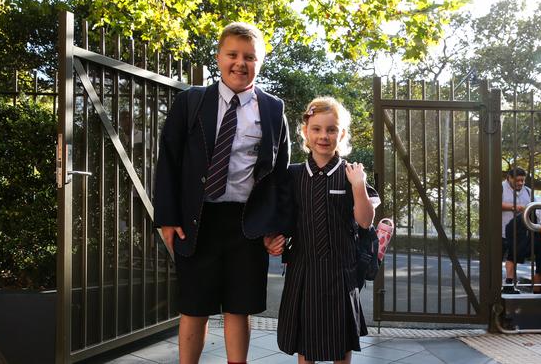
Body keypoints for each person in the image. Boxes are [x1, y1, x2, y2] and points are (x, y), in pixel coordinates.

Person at [154, 22, 292, 364]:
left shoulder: (273, 109)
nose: (240, 63)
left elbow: (280, 176)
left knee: (238, 307)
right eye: (232, 54)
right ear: (219, 57)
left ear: (260, 62)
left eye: (250, 57)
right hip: (197, 220)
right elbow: (169, 160)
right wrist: (167, 218)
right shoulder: (191, 102)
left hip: (248, 223)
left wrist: (277, 226)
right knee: (194, 307)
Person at [272, 97, 380, 363]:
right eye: (317, 129)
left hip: (341, 271)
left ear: (341, 134)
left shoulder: (352, 173)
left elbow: (365, 221)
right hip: (303, 271)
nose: (324, 136)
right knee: (305, 346)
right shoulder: (293, 175)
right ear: (305, 132)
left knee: (341, 344)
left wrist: (358, 185)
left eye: (331, 129)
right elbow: (284, 219)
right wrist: (274, 240)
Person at [501, 167, 532, 294]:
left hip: (519, 232)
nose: (520, 183)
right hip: (501, 229)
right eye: (518, 180)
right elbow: (493, 203)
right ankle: (492, 286)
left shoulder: (529, 191)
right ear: (509, 178)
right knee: (496, 259)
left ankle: (509, 284)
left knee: (514, 258)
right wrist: (515, 207)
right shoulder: (501, 187)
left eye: (523, 181)